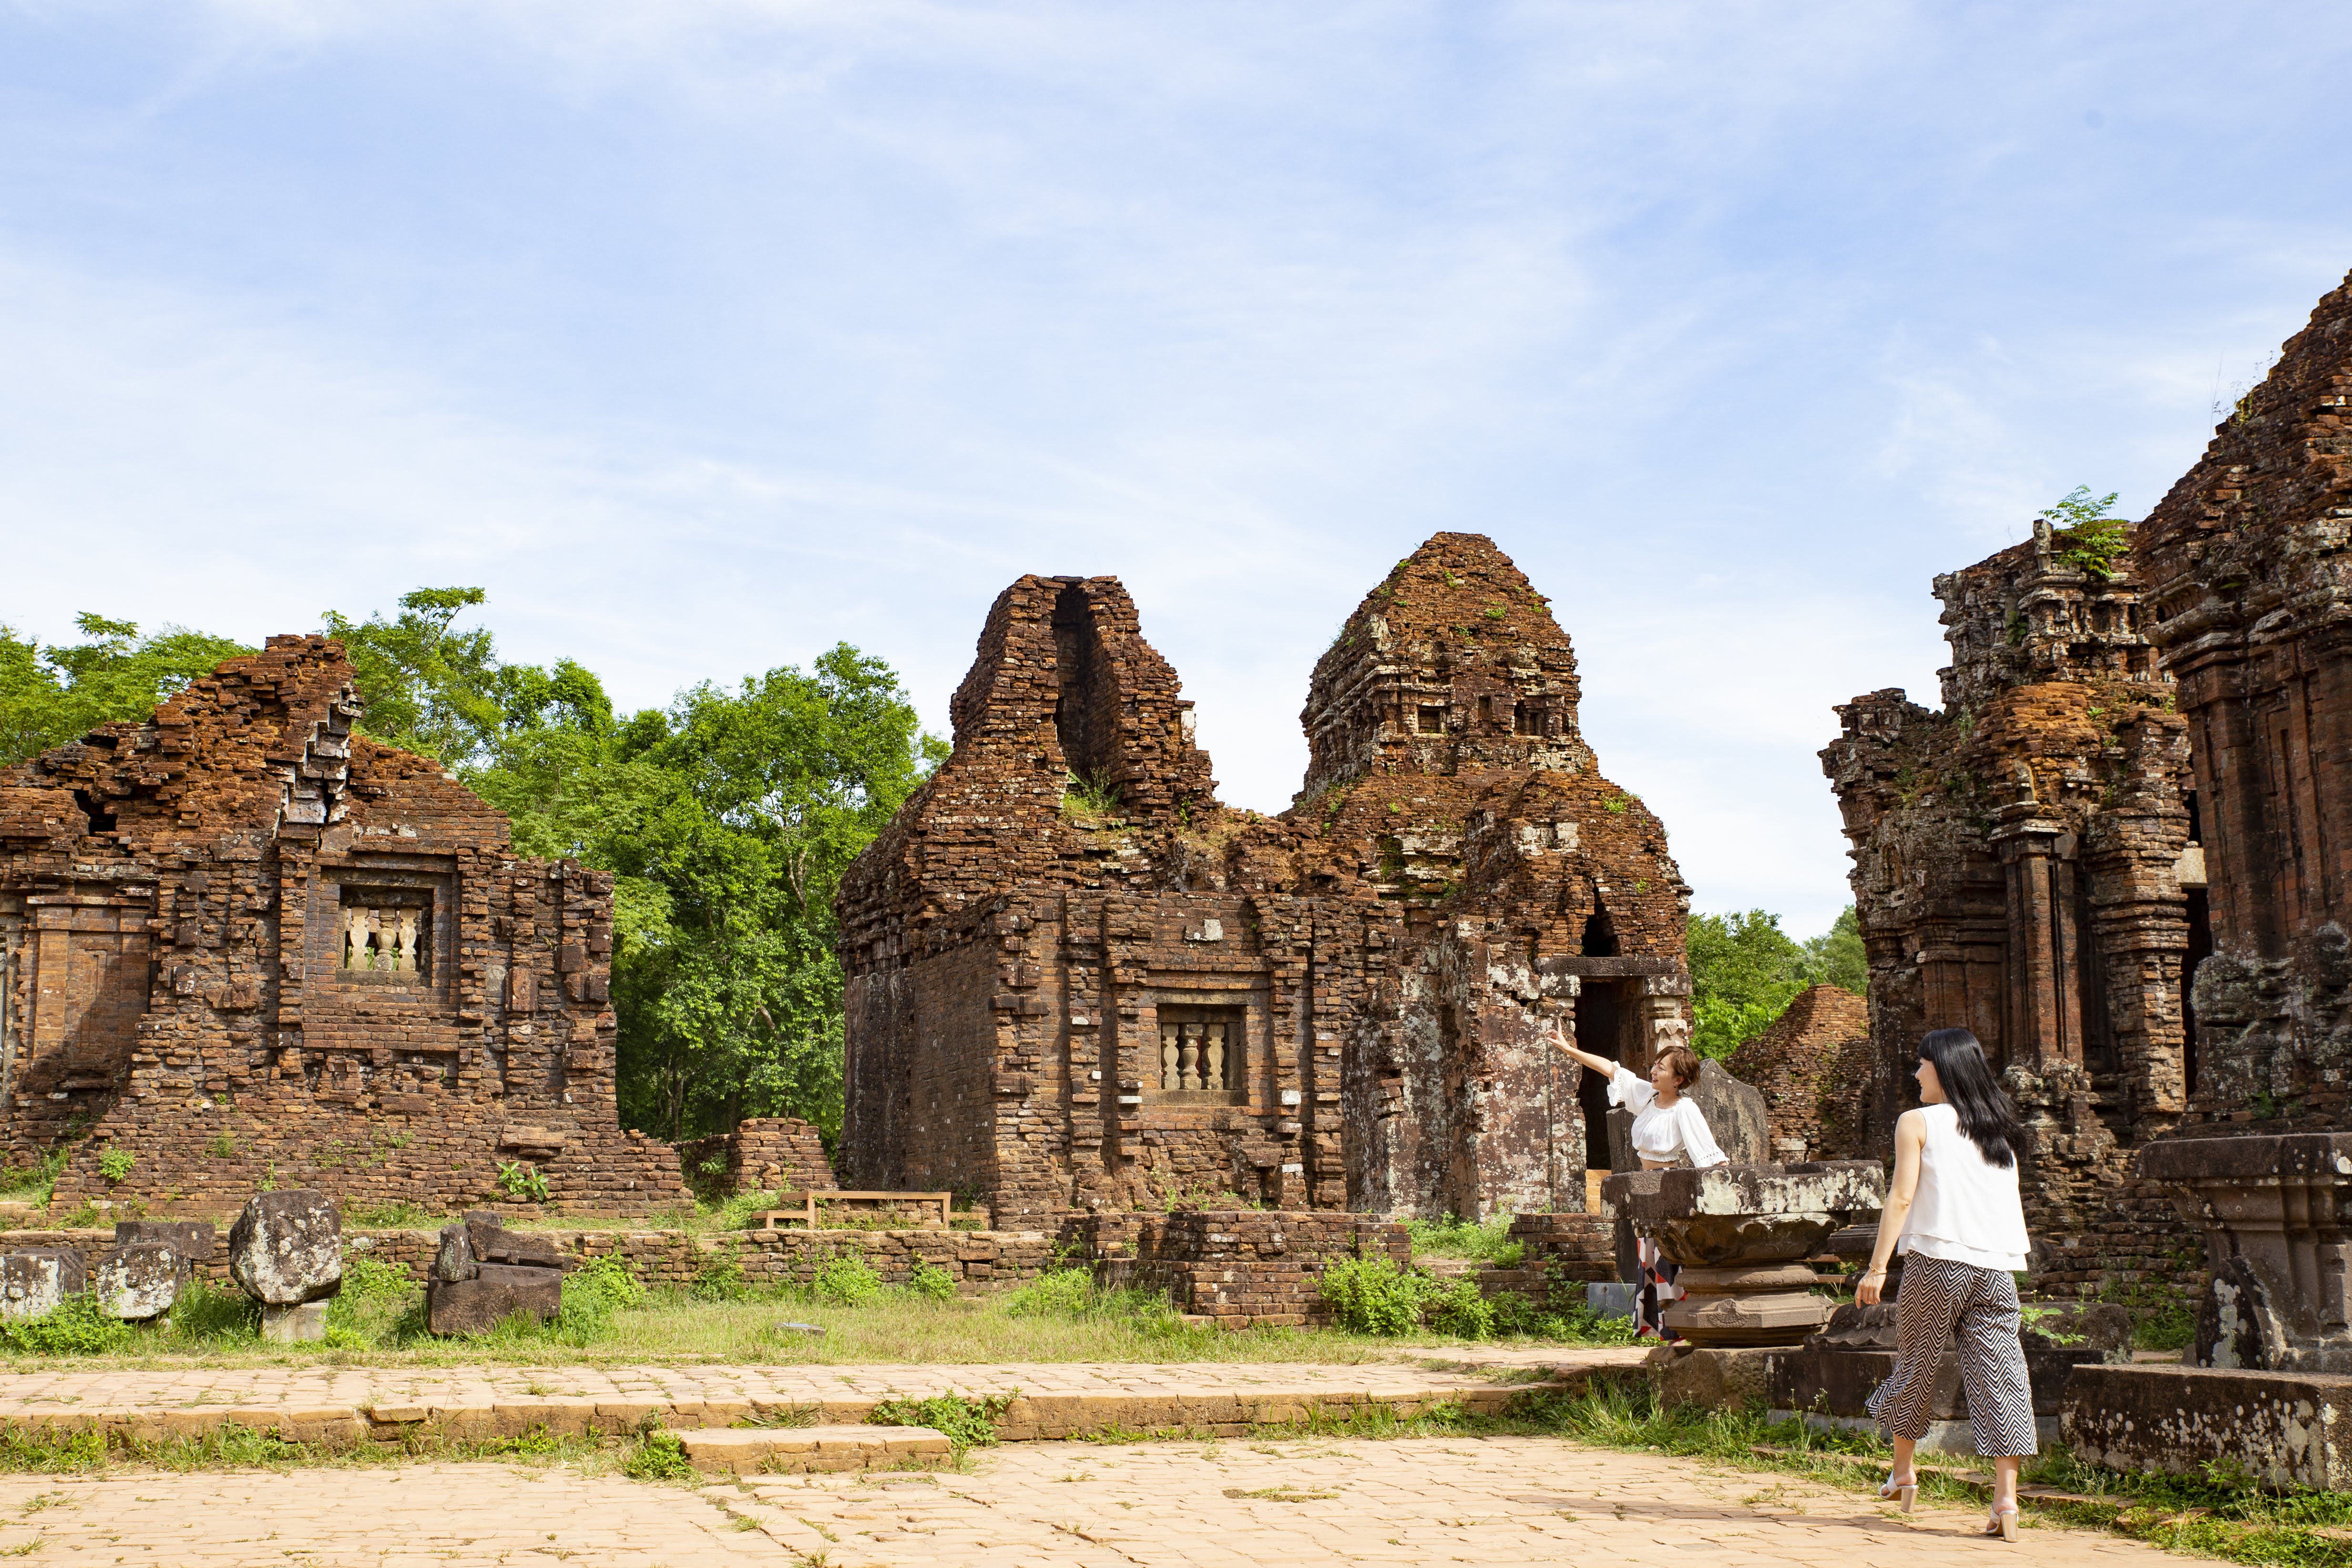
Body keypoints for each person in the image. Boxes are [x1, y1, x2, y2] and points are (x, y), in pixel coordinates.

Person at [1856, 1027, 2035, 1543]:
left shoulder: (1916, 1122)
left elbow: (1900, 1198)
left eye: (1921, 1064)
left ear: (1943, 1066)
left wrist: (1876, 1268)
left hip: (1937, 1262)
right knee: (2001, 1374)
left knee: (1917, 1361)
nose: (1915, 1074)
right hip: (1996, 1269)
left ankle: (1903, 1472)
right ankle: (2005, 1496)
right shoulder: (1997, 1131)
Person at [1551, 1026, 1727, 1338]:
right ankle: (1659, 1333)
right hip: (1644, 1189)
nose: (1654, 1071)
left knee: (1668, 1263)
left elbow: (1710, 1157)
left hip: (1669, 1189)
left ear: (1679, 1080)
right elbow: (1610, 1068)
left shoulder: (1684, 1108)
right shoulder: (1647, 1097)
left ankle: (1680, 1334)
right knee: (1648, 1262)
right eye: (1655, 1065)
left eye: (1662, 1068)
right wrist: (1568, 1049)